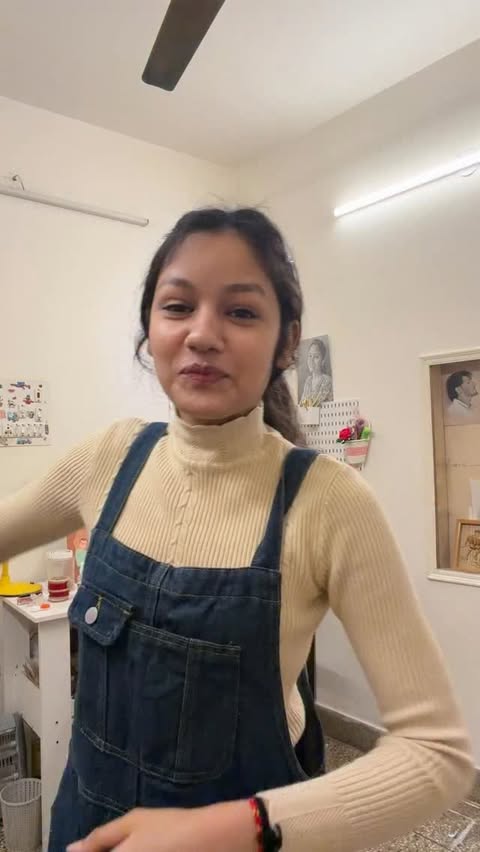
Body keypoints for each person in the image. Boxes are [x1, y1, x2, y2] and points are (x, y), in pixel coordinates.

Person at [0, 208, 474, 852]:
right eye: (177, 306)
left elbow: (437, 753)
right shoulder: (108, 458)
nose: (202, 334)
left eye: (241, 312)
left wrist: (229, 828)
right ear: (149, 327)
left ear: (287, 342)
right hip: (87, 829)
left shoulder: (328, 501)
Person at [299, 338, 333, 406]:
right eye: (310, 356)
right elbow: (302, 405)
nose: (311, 360)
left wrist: (305, 404)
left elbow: (315, 405)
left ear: (322, 361)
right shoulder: (308, 381)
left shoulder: (327, 381)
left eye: (316, 357)